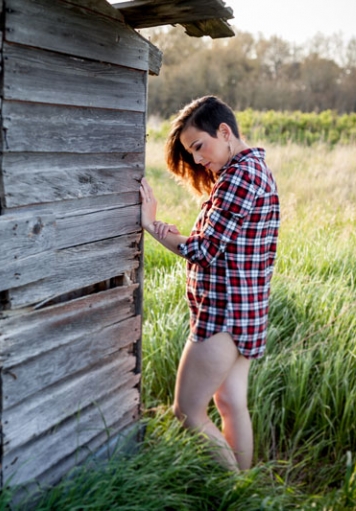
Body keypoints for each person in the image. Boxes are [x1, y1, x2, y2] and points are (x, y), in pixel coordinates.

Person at [139, 96, 280, 471]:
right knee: (231, 404)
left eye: (199, 146)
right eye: (192, 153)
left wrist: (151, 225)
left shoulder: (241, 175)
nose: (198, 160)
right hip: (244, 311)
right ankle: (245, 487)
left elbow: (203, 250)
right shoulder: (253, 168)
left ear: (224, 131)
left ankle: (233, 490)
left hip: (223, 314)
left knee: (187, 411)